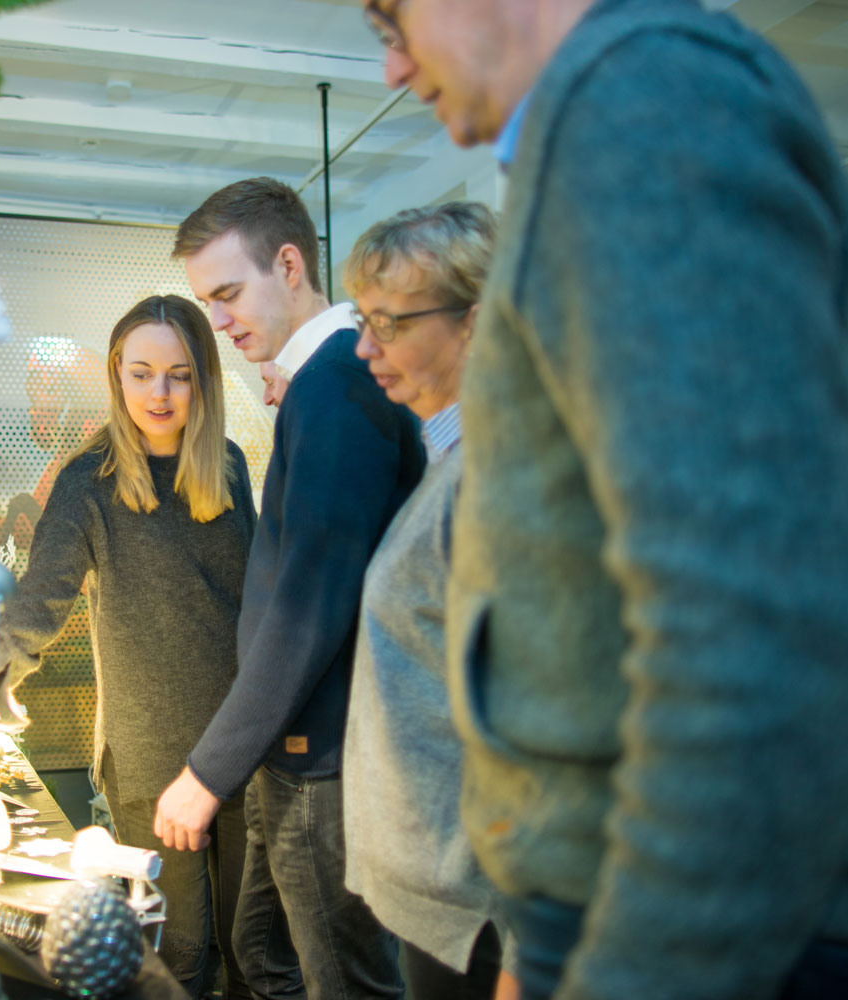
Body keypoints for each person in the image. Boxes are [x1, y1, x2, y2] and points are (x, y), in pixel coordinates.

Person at [364, 0, 848, 997]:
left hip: (739, 936)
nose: (393, 67)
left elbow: (756, 643)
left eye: (386, 16)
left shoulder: (642, 102)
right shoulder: (603, 119)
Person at [0, 294, 258, 999]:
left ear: (202, 377)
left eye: (178, 374)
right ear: (116, 376)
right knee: (176, 957)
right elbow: (40, 601)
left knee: (252, 955)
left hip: (241, 753)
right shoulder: (91, 481)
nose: (159, 392)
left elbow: (258, 614)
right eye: (141, 373)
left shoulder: (229, 467)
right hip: (150, 761)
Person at [154, 177, 424, 1000]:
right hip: (293, 753)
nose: (222, 319)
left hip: (323, 754)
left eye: (230, 293)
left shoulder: (338, 386)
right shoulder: (313, 385)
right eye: (209, 300)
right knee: (260, 952)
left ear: (290, 262)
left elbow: (310, 606)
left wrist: (205, 773)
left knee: (342, 981)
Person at [341, 203, 519, 1000]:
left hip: (480, 918)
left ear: (475, 322)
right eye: (363, 321)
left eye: (390, 323)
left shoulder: (497, 478)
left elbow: (536, 729)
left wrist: (526, 949)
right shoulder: (447, 461)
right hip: (440, 904)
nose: (364, 348)